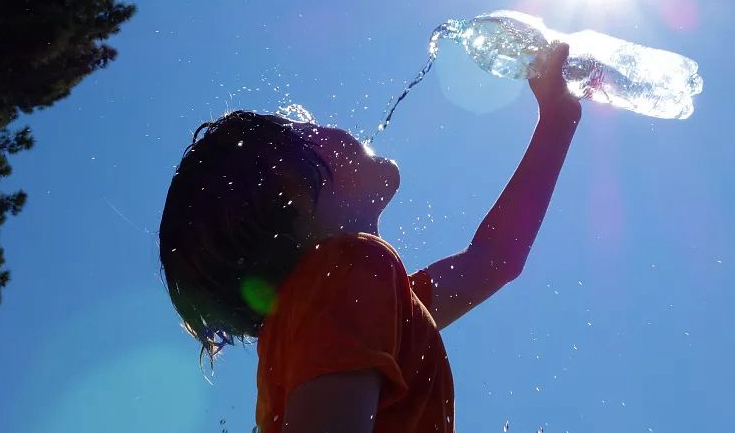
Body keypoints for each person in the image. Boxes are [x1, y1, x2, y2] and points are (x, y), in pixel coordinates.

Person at [158, 42, 581, 432]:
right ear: (293, 196)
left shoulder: (349, 304)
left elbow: (494, 259)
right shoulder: (346, 274)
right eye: (306, 130)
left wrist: (558, 120)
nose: (326, 126)